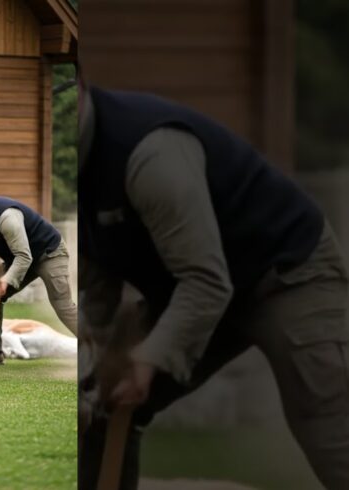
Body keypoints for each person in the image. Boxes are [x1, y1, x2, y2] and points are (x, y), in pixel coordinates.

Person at [76, 68, 349, 489]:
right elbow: (100, 279)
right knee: (104, 400)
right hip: (194, 289)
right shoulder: (72, 171)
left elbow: (207, 280)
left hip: (289, 272)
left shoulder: (150, 154)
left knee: (330, 425)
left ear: (79, 90)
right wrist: (92, 360)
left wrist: (150, 358)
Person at [0, 176, 77, 364]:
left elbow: (24, 256)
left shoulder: (6, 216)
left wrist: (6, 280)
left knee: (62, 305)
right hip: (20, 259)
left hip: (49, 253)